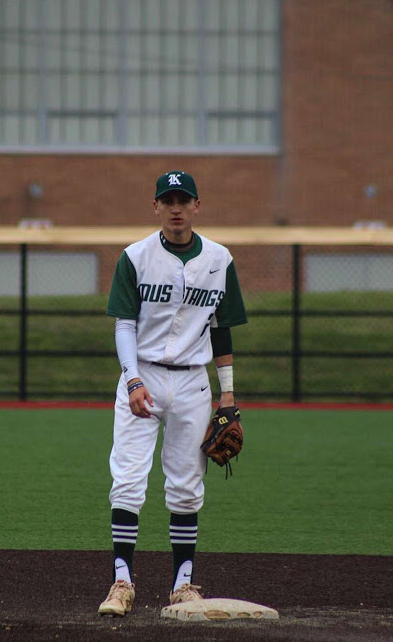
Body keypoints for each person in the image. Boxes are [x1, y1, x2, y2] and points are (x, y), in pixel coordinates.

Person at [98, 170, 247, 616]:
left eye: (184, 199)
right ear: (156, 206)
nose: (176, 207)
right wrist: (132, 379)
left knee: (186, 486)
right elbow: (124, 324)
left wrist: (228, 396)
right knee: (126, 481)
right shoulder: (136, 257)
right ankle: (121, 583)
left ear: (197, 206)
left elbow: (221, 332)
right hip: (142, 374)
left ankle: (183, 585)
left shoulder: (219, 259)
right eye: (169, 200)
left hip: (192, 383)